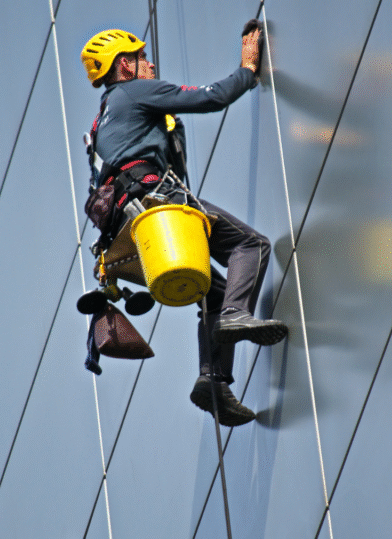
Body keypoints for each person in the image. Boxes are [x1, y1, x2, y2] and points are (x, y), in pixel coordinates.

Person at [80, 25, 287, 426]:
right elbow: (212, 97)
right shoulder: (134, 92)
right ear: (125, 65)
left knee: (215, 291)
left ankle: (213, 382)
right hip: (158, 206)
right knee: (251, 245)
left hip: (129, 230)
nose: (150, 64)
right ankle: (235, 315)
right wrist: (248, 69)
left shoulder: (102, 121)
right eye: (142, 58)